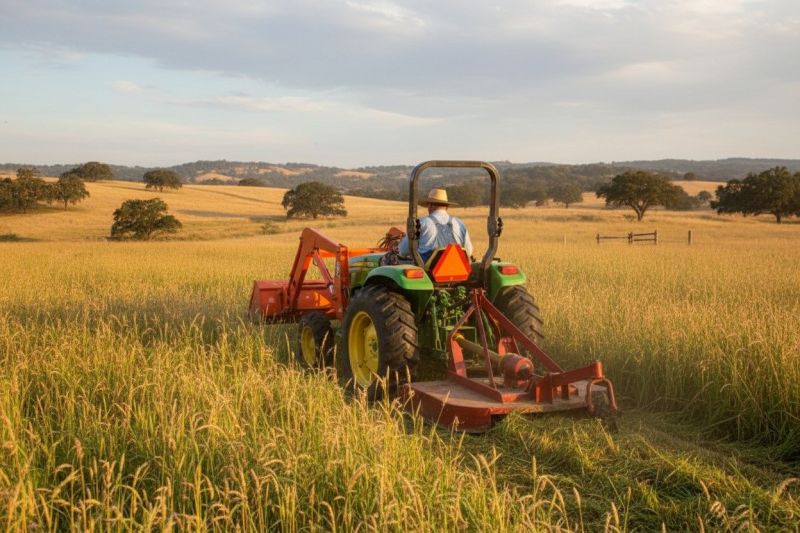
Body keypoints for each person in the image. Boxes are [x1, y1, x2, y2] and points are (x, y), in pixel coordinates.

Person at [399, 188, 473, 263]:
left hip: (429, 273)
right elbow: (469, 251)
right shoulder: (460, 224)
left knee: (392, 259)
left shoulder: (421, 223)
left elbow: (403, 251)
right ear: (446, 207)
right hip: (458, 270)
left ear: (430, 205)